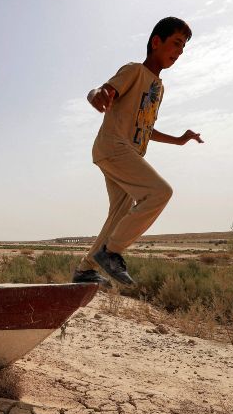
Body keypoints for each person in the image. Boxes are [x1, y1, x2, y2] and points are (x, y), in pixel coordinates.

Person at [72, 17, 204, 288]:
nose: (179, 52)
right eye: (176, 43)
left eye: (183, 49)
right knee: (159, 192)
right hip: (114, 147)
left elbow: (146, 128)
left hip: (127, 153)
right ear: (157, 42)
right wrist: (96, 95)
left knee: (119, 214)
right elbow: (102, 90)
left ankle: (85, 270)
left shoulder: (159, 87)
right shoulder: (134, 71)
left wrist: (179, 140)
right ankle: (112, 252)